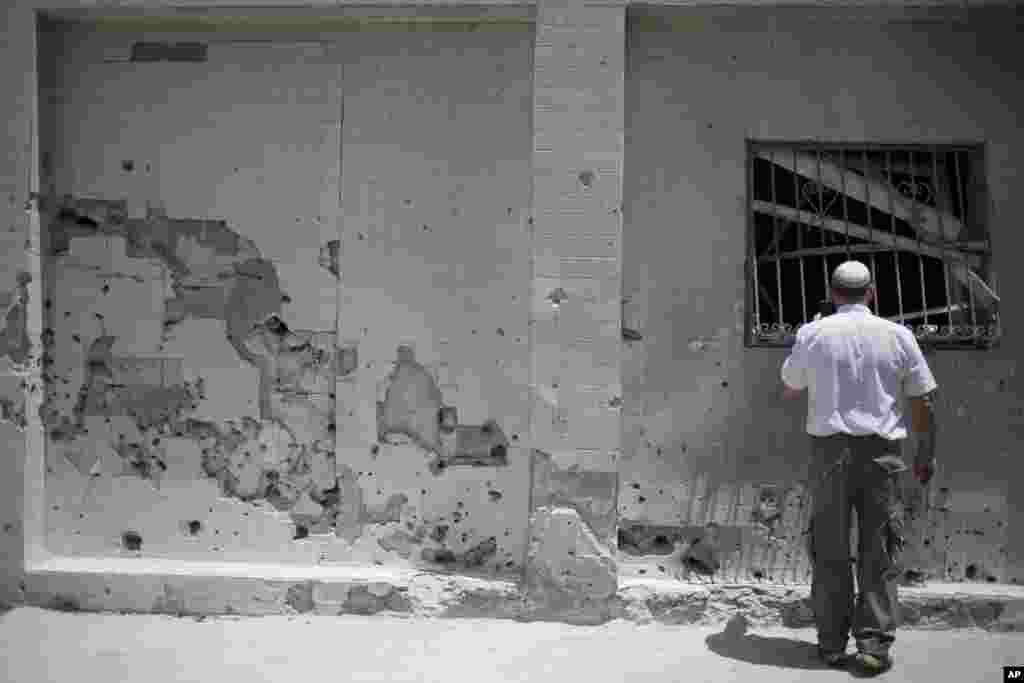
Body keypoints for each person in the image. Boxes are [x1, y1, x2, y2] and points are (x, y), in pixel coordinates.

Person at [780, 260, 938, 676]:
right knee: (880, 549)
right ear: (872, 294)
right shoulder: (899, 335)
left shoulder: (812, 334)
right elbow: (923, 400)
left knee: (830, 550)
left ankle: (831, 644)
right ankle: (873, 647)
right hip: (882, 455)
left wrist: (810, 342)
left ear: (833, 294)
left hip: (829, 454)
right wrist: (926, 455)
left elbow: (791, 387)